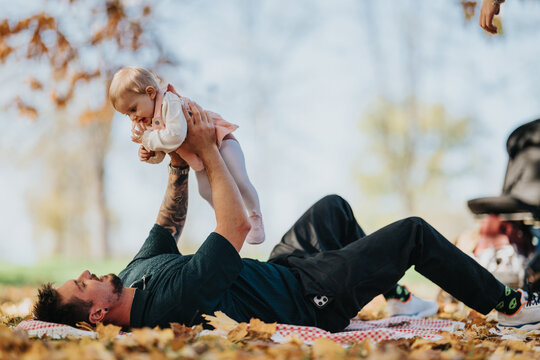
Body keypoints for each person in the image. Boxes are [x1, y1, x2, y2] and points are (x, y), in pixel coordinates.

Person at [33, 101, 540, 332]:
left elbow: (166, 225)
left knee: (333, 208)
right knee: (412, 234)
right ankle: (506, 303)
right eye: (80, 287)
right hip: (306, 299)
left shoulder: (134, 276)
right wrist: (207, 149)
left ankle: (398, 298)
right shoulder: (166, 303)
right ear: (97, 314)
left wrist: (176, 160)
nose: (85, 276)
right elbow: (231, 228)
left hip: (282, 271)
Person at [109, 67, 264, 244]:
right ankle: (234, 214)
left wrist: (149, 139)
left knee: (240, 179)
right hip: (202, 157)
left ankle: (254, 215)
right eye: (127, 114)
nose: (133, 118)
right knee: (205, 191)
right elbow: (163, 152)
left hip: (222, 141)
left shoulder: (169, 102)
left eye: (133, 109)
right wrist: (149, 152)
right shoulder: (151, 121)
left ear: (150, 93)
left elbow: (175, 136)